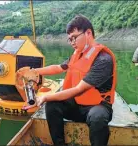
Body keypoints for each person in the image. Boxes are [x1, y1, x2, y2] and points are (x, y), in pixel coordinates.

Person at [33, 14, 117, 146]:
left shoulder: (103, 59)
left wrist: (46, 97)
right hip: (77, 105)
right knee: (53, 105)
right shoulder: (77, 55)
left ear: (88, 33)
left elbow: (78, 90)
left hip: (98, 106)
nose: (72, 43)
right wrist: (34, 71)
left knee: (97, 117)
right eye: (69, 39)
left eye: (74, 38)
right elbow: (58, 67)